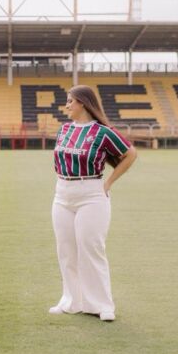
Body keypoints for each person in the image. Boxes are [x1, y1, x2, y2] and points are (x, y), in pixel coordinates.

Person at [49, 85, 137, 322]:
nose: (66, 105)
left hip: (91, 193)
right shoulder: (64, 129)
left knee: (91, 248)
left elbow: (130, 154)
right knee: (66, 250)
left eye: (70, 101)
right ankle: (71, 301)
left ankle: (102, 305)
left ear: (83, 103)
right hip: (62, 193)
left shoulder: (103, 132)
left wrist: (108, 183)